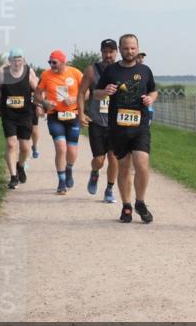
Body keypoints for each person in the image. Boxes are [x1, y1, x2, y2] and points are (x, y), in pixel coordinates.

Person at [94, 34, 157, 224]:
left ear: (137, 48)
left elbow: (153, 90)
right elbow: (95, 93)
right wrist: (104, 92)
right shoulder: (111, 71)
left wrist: (151, 98)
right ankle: (126, 205)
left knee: (142, 166)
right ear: (120, 50)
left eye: (132, 48)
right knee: (123, 168)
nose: (129, 51)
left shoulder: (145, 70)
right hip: (118, 128)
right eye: (126, 48)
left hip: (140, 127)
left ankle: (140, 202)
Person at [35, 50, 84, 195]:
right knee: (61, 148)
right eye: (50, 62)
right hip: (55, 115)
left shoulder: (75, 73)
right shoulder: (45, 75)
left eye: (54, 62)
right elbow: (37, 94)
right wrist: (44, 102)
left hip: (73, 115)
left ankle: (69, 169)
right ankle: (61, 181)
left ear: (63, 62)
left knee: (72, 150)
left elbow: (86, 93)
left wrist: (75, 99)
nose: (51, 65)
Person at [0, 49, 38, 189]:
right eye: (14, 59)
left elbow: (38, 90)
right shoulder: (2, 74)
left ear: (23, 60)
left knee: (25, 148)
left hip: (25, 114)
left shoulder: (29, 72)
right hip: (9, 115)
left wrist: (41, 103)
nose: (17, 62)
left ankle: (20, 165)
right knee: (11, 144)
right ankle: (13, 176)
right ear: (9, 61)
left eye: (19, 59)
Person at [79, 39, 119, 204]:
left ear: (116, 52)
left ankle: (109, 189)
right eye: (105, 51)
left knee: (114, 157)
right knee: (99, 160)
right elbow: (81, 93)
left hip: (116, 123)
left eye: (111, 51)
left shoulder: (122, 70)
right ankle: (95, 173)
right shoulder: (91, 70)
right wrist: (81, 113)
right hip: (96, 121)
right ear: (101, 52)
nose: (108, 55)